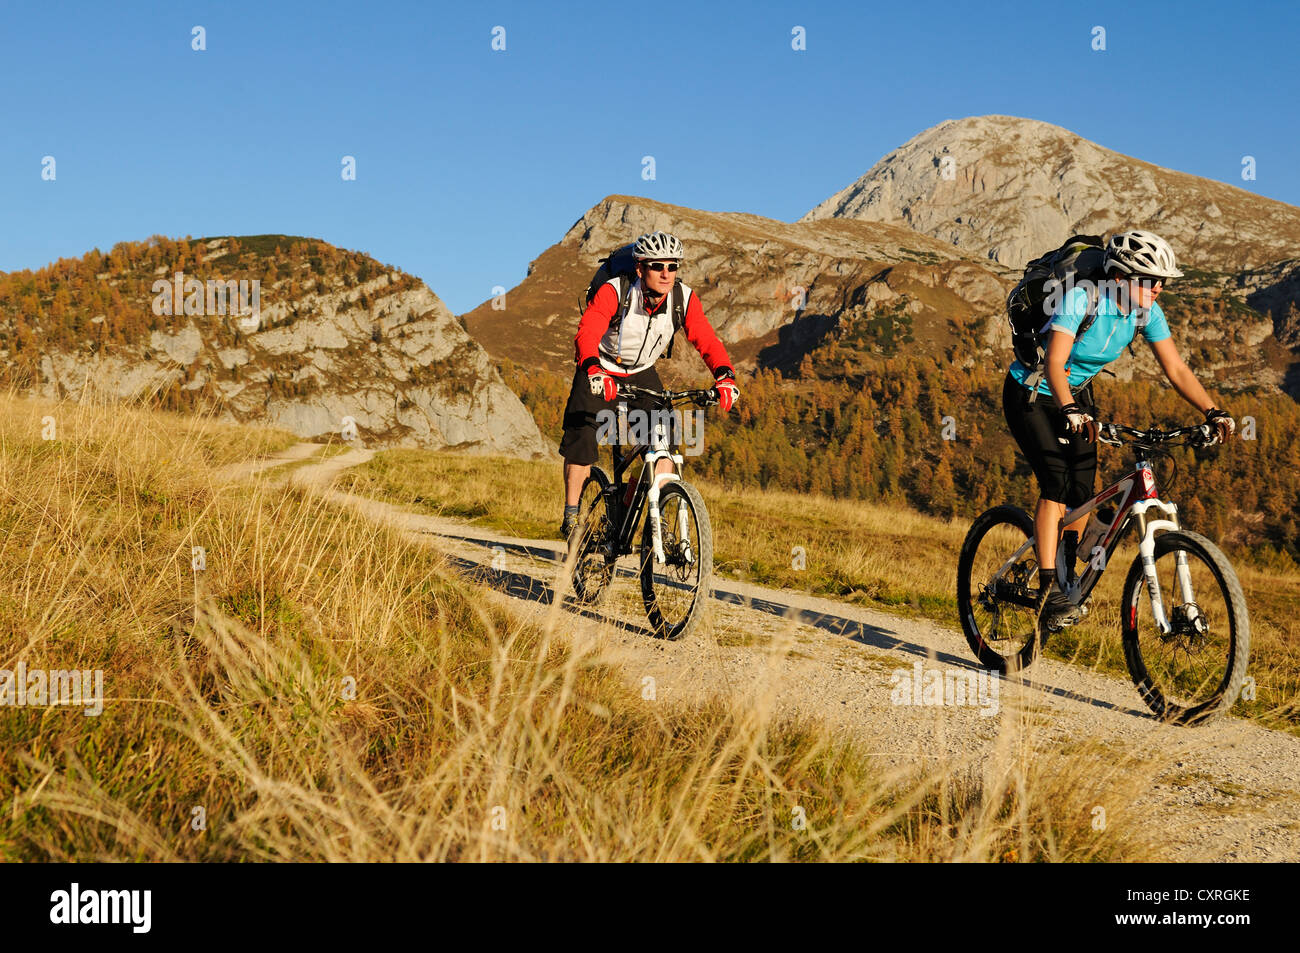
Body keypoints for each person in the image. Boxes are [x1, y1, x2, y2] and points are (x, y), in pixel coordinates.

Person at [1002, 230, 1235, 628]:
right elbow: (1056, 363)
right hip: (1033, 392)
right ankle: (1048, 592)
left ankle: (1065, 571)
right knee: (1057, 484)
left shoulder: (1147, 312)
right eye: (1149, 279)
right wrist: (1071, 410)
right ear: (1121, 276)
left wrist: (1213, 411)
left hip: (1077, 396)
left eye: (1162, 281)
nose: (1158, 288)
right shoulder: (1081, 298)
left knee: (1082, 493)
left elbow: (1176, 369)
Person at [558, 231, 739, 538]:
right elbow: (588, 330)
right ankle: (572, 515)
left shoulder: (683, 298)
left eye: (673, 266)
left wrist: (725, 376)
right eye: (658, 266)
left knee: (663, 445)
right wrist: (592, 368)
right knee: (583, 436)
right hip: (600, 366)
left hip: (641, 370)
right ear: (640, 268)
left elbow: (705, 339)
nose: (666, 273)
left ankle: (648, 516)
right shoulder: (615, 291)